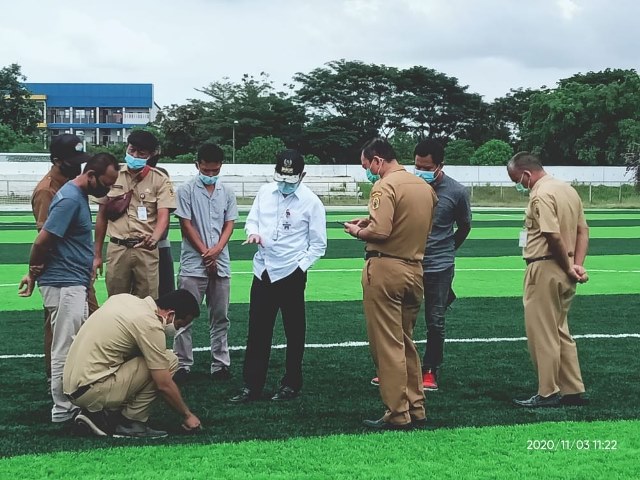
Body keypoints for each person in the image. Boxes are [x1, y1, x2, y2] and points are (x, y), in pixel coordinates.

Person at [18, 153, 120, 424]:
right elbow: (41, 242)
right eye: (106, 184)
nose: (107, 190)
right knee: (65, 347)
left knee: (74, 344)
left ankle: (73, 402)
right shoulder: (70, 199)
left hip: (72, 281)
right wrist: (32, 272)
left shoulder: (76, 195)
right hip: (64, 283)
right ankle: (63, 409)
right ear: (91, 175)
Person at [344, 138, 436, 430]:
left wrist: (358, 232)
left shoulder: (384, 186)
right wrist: (368, 222)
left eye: (366, 166)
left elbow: (381, 231)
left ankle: (397, 412)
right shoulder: (424, 187)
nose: (367, 172)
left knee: (387, 345)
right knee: (407, 342)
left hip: (385, 268)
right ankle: (416, 406)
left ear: (377, 160)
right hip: (415, 268)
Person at [371, 139, 471, 391]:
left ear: (440, 166)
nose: (421, 171)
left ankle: (429, 370)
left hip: (439, 265)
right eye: (417, 166)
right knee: (401, 319)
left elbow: (464, 226)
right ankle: (397, 369)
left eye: (426, 167)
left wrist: (447, 249)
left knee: (435, 320)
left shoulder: (456, 192)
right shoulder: (408, 186)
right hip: (409, 262)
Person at [230, 149, 327, 403]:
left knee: (294, 332)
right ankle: (252, 386)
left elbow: (318, 244)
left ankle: (291, 383)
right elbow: (251, 221)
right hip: (262, 270)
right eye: (281, 179)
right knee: (257, 330)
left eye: (290, 180)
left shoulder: (312, 202)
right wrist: (253, 233)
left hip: (290, 272)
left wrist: (300, 268)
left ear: (302, 176)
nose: (284, 185)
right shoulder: (264, 193)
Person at [507, 152, 590, 408]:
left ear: (527, 174)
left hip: (544, 267)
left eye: (517, 180)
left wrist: (567, 266)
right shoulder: (568, 190)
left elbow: (551, 235)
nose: (519, 185)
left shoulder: (541, 194)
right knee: (560, 330)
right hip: (565, 269)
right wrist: (577, 265)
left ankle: (547, 392)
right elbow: (582, 230)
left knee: (542, 333)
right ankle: (572, 388)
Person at [63, 289, 202, 438]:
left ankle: (99, 414)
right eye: (179, 324)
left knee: (145, 356)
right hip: (91, 388)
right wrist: (187, 415)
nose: (177, 329)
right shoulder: (149, 323)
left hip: (72, 386)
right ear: (170, 315)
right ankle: (131, 421)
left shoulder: (122, 299)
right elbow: (164, 384)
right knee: (169, 361)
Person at [30, 134, 99, 385]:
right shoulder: (48, 190)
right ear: (57, 160)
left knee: (83, 323)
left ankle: (75, 376)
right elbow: (46, 237)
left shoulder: (71, 184)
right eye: (73, 160)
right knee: (59, 329)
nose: (78, 165)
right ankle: (56, 381)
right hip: (61, 274)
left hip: (76, 270)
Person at [172, 143, 238, 383]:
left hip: (220, 261)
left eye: (215, 170)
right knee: (183, 315)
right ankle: (182, 363)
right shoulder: (186, 190)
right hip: (193, 263)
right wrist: (205, 253)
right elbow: (185, 224)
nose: (210, 175)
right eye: (206, 170)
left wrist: (217, 251)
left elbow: (229, 223)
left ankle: (220, 363)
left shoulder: (227, 192)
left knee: (220, 315)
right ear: (197, 164)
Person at [93, 130, 176, 300]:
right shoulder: (112, 175)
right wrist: (97, 254)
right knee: (116, 303)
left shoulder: (160, 179)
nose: (134, 155)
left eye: (141, 153)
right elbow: (101, 217)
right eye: (131, 150)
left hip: (145, 249)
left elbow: (163, 215)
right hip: (117, 248)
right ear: (126, 148)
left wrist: (154, 239)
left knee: (147, 304)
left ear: (150, 155)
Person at [147, 150, 176, 297]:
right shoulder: (129, 176)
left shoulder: (161, 174)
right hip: (141, 245)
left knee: (165, 294)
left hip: (160, 244)